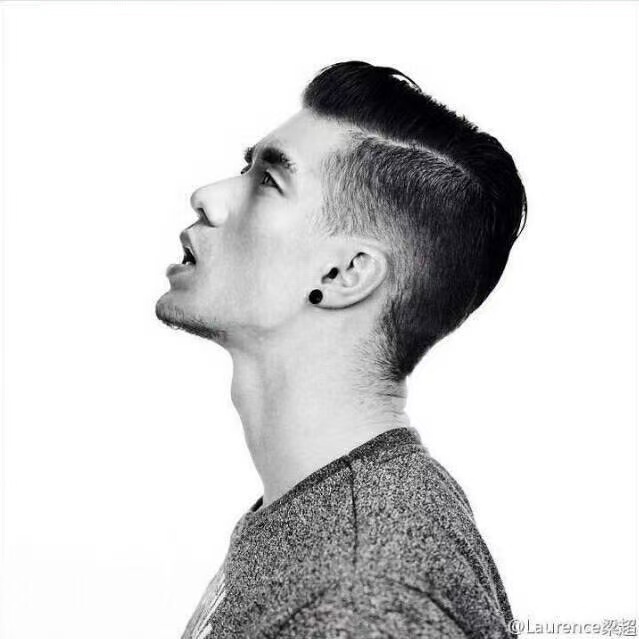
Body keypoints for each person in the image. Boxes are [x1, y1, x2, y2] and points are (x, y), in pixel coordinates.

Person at [155, 60, 527, 639]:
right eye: (246, 168)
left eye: (269, 182)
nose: (206, 197)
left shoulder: (365, 600)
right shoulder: (335, 513)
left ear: (345, 273)